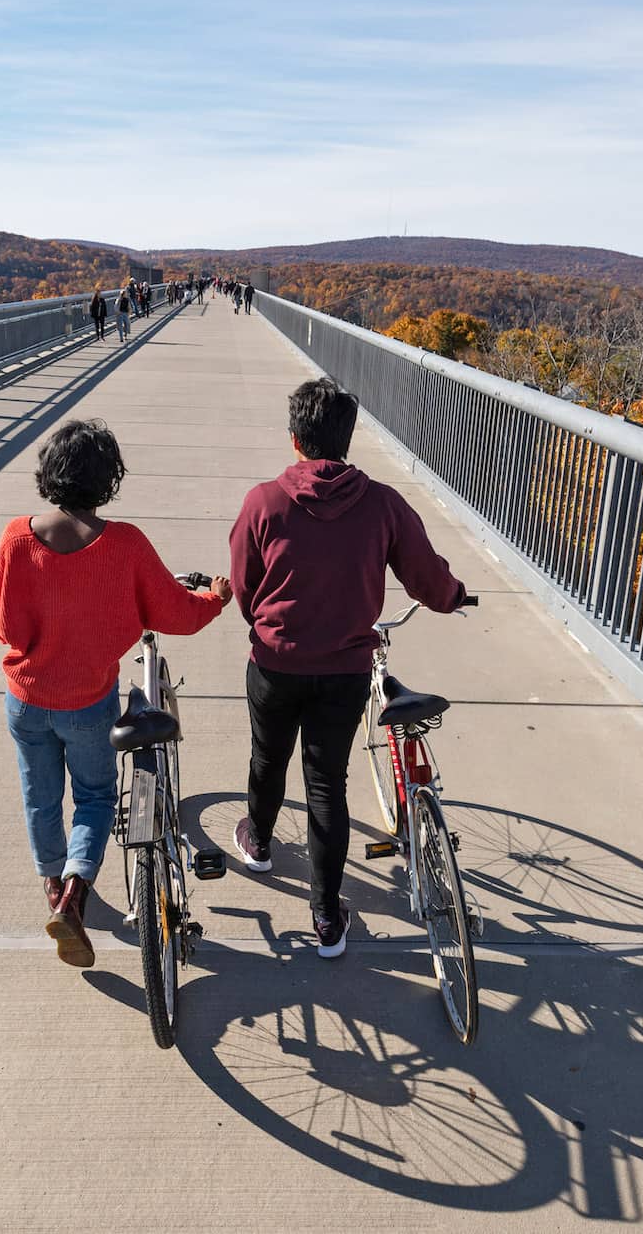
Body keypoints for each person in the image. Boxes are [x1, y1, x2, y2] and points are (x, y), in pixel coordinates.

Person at [228, 379, 467, 957]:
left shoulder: (264, 501)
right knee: (327, 786)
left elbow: (243, 585)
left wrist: (263, 623)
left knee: (268, 756)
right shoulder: (383, 503)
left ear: (295, 439)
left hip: (276, 662)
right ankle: (328, 918)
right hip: (345, 670)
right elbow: (428, 579)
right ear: (348, 439)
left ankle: (258, 844)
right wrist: (453, 594)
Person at [0, 420, 232, 967]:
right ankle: (75, 894)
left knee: (40, 795)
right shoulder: (124, 544)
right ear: (107, 480)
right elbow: (175, 612)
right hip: (88, 701)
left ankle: (53, 888)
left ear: (49, 472)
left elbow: (4, 626)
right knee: (95, 797)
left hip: (26, 700)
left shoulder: (15, 539)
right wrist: (215, 599)